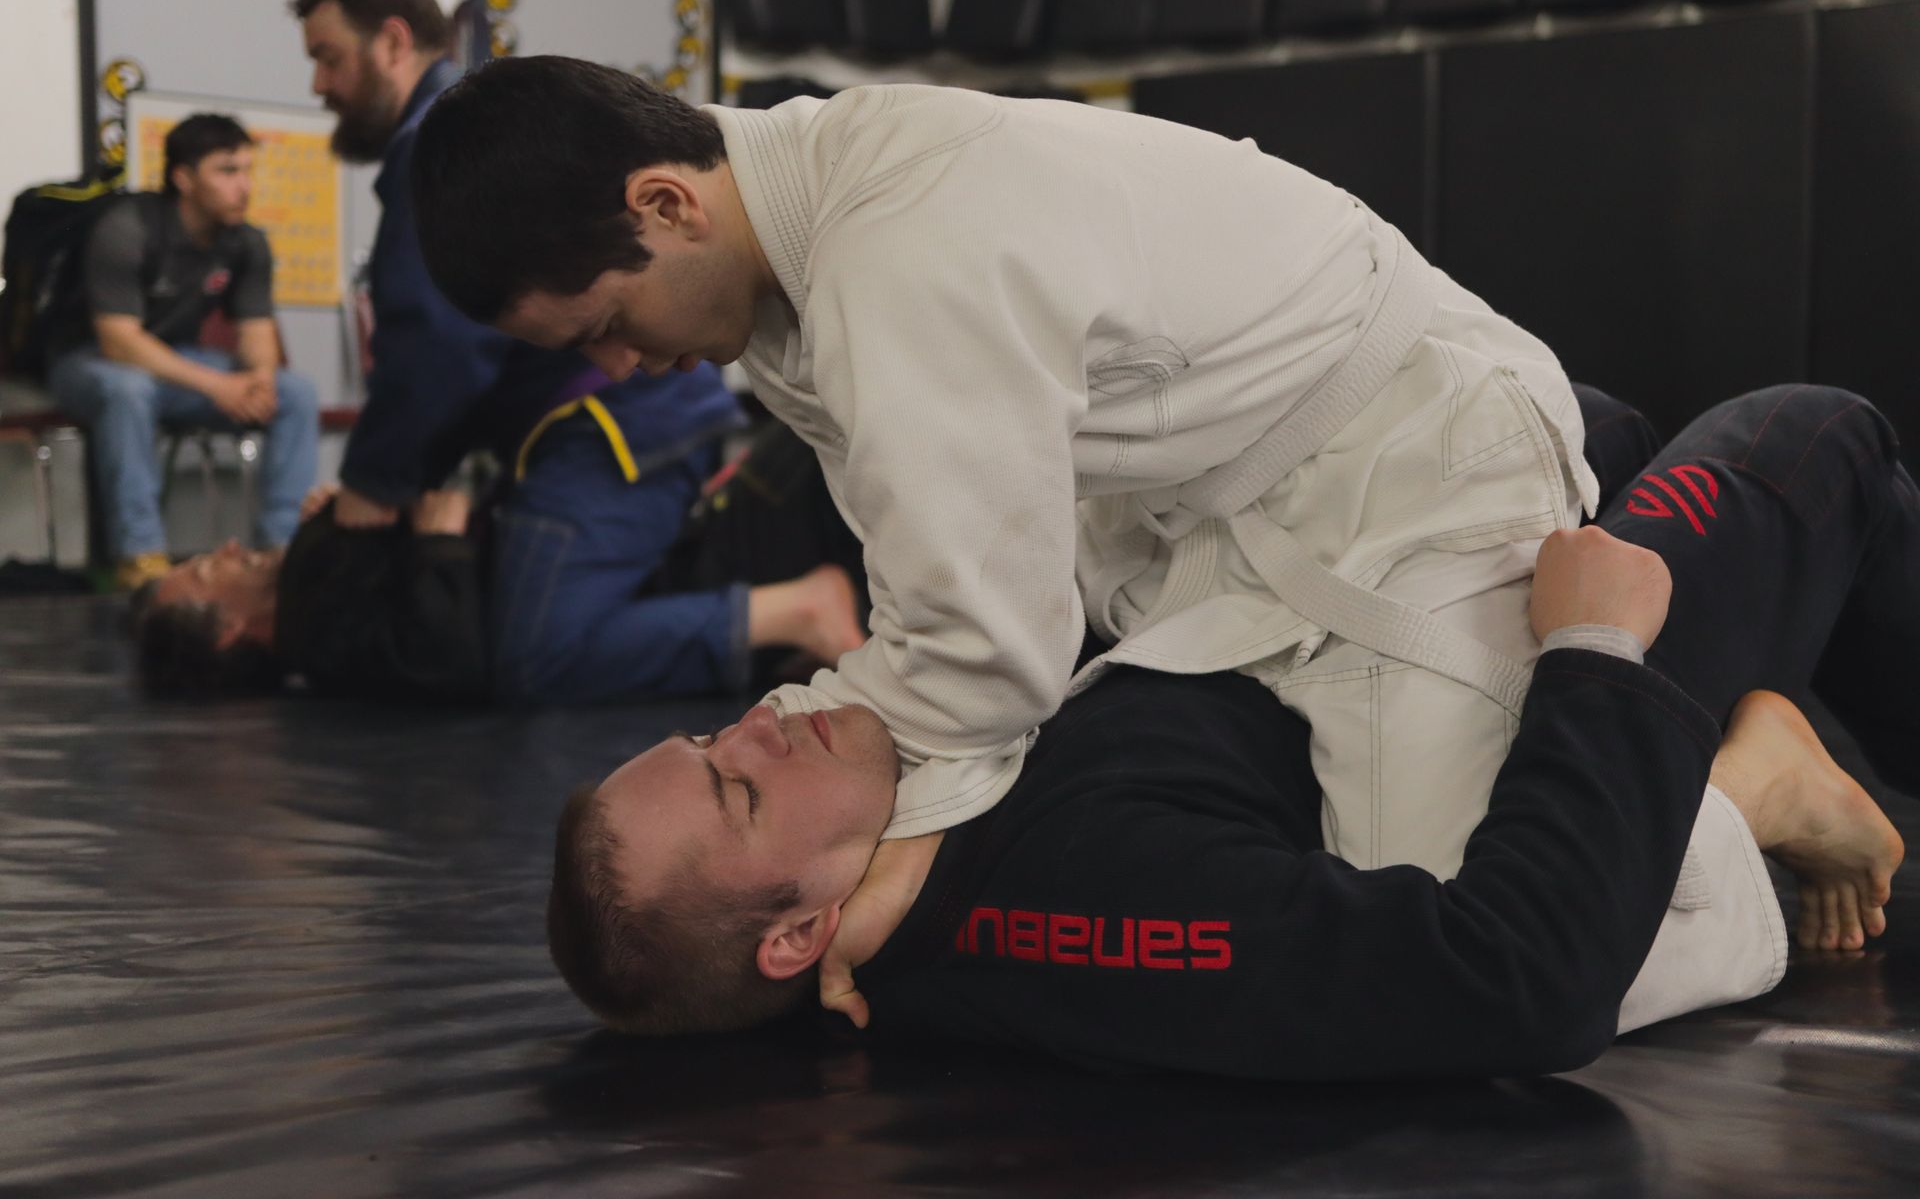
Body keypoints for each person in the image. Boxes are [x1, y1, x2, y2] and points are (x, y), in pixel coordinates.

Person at [408, 60, 1627, 992]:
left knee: (1471, 931)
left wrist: (896, 863)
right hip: (1214, 532)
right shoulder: (783, 265)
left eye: (604, 325)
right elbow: (948, 589)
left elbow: (984, 652)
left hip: (1411, 459)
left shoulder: (894, 243)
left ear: (666, 203)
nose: (623, 365)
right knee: (1241, 854)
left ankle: (1745, 777)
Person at [542, 384, 1914, 1076]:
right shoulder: (1068, 893)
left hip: (1341, 641)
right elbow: (1513, 979)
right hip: (1495, 711)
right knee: (1813, 437)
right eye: (738, 793)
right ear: (793, 936)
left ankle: (1775, 764)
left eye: (719, 738)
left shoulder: (909, 822)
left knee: (1589, 412)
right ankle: (1758, 786)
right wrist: (1598, 655)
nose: (768, 728)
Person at [289, 0, 758, 701]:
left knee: (531, 653)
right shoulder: (457, 140)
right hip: (624, 420)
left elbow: (436, 346)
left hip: (614, 426)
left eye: (328, 57)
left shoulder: (442, 152)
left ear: (392, 42)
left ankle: (785, 615)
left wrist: (374, 487)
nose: (317, 85)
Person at [128, 425, 868, 704]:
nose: (224, 549)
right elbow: (445, 650)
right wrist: (436, 543)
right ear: (227, 629)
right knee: (537, 659)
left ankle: (792, 615)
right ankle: (793, 614)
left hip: (585, 512)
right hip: (592, 514)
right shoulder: (317, 635)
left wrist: (359, 515)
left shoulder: (314, 594)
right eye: (203, 572)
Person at [44, 114, 319, 589]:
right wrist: (221, 387)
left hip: (176, 365)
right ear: (184, 178)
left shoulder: (247, 242)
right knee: (128, 390)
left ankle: (281, 551)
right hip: (91, 361)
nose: (245, 186)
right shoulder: (126, 228)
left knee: (295, 393)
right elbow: (120, 341)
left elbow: (257, 335)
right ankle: (142, 557)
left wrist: (259, 382)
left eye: (249, 171)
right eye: (227, 171)